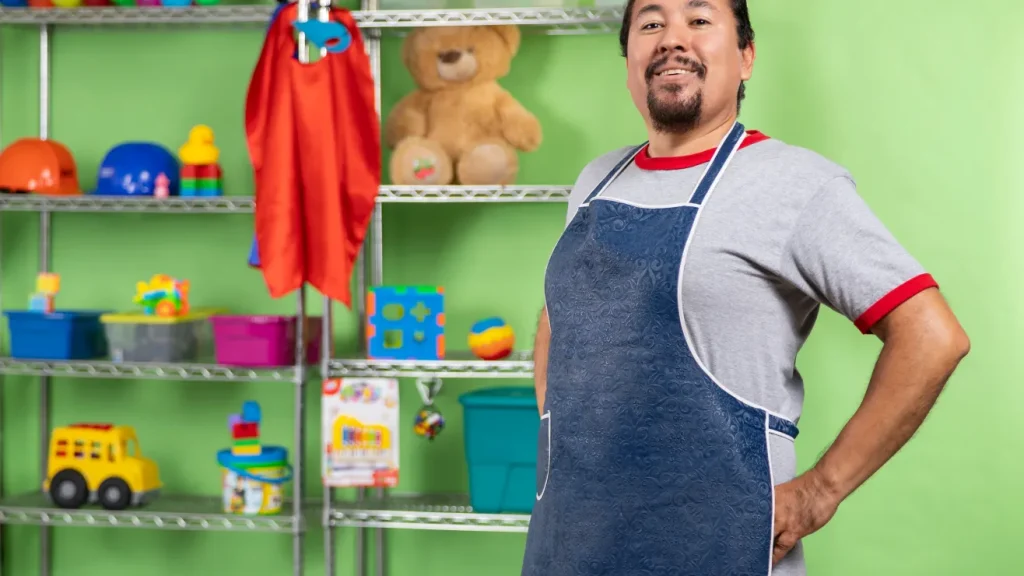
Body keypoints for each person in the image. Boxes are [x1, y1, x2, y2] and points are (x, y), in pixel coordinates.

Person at [520, 1, 970, 575]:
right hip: (570, 543)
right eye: (651, 24)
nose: (671, 39)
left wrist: (820, 491)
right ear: (629, 57)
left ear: (746, 57)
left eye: (699, 20)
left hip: (714, 549)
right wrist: (561, 429)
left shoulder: (793, 184)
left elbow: (932, 336)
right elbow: (561, 314)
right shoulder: (596, 181)